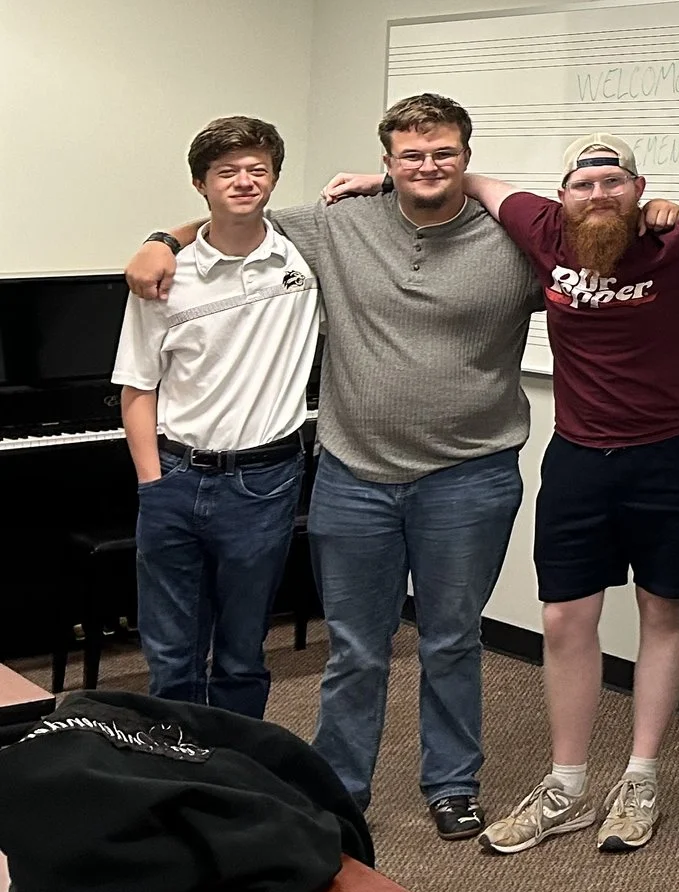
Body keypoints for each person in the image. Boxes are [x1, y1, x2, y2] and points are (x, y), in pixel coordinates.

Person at [324, 137, 679, 859]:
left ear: (640, 188)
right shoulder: (541, 229)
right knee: (565, 615)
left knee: (664, 608)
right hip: (579, 457)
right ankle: (566, 785)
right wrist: (379, 179)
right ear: (561, 194)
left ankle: (640, 777)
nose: (598, 192)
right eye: (583, 181)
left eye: (614, 180)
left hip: (676, 454)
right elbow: (471, 178)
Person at [125, 93, 545, 839]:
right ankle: (341, 785)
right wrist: (161, 238)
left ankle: (452, 783)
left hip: (469, 476)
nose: (427, 165)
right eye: (410, 154)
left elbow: (597, 237)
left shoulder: (511, 238)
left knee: (451, 637)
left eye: (444, 152)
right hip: (355, 477)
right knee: (355, 647)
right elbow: (234, 217)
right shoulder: (336, 224)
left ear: (467, 158)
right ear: (386, 162)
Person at [114, 116, 321, 717]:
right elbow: (137, 387)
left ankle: (235, 773)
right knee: (172, 654)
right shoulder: (163, 279)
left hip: (265, 481)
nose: (244, 181)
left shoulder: (305, 263)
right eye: (226, 172)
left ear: (275, 178)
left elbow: (402, 195)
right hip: (174, 476)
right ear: (201, 184)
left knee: (242, 651)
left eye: (258, 170)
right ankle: (172, 773)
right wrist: (151, 483)